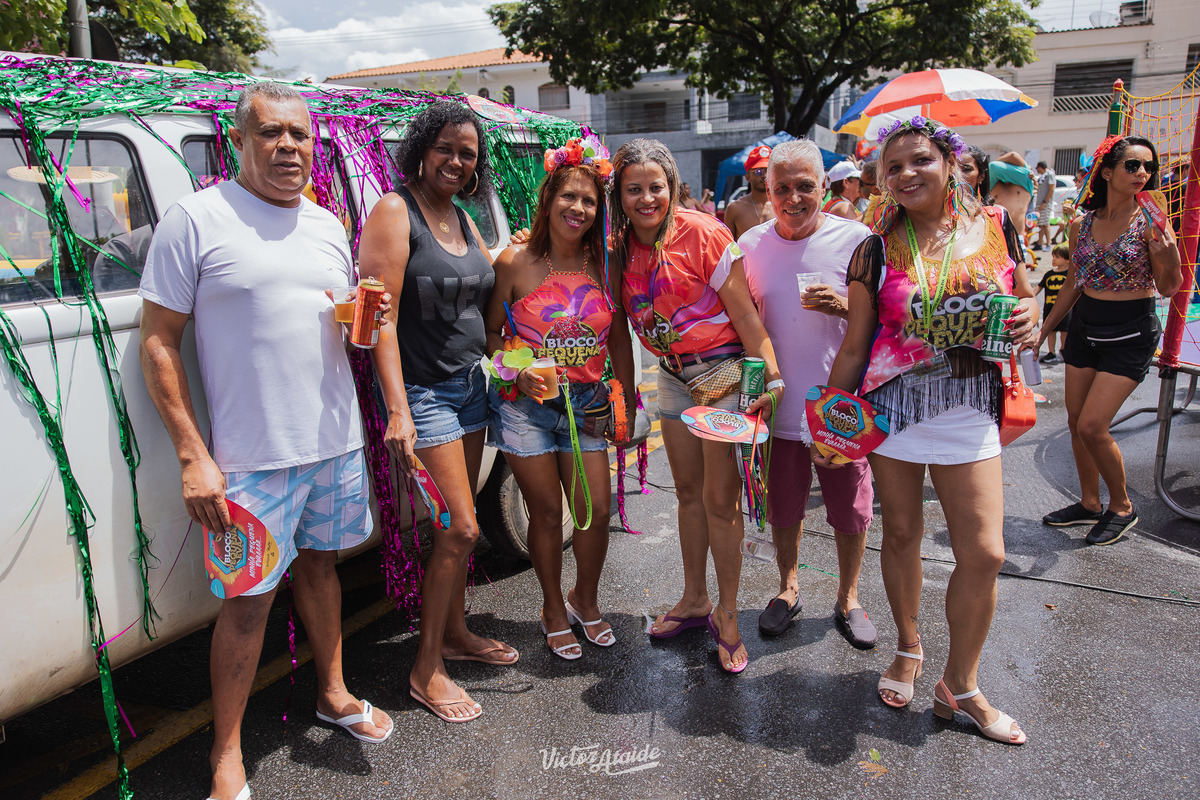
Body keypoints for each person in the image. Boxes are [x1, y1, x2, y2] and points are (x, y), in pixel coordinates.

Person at [138, 82, 393, 800]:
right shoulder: (197, 219)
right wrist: (193, 454)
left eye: (300, 135)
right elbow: (158, 341)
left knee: (322, 571)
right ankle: (225, 754)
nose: (288, 147)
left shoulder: (326, 225)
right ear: (240, 141)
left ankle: (333, 694)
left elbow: (341, 329)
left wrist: (364, 322)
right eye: (271, 133)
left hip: (334, 444)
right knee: (248, 604)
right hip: (251, 461)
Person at [825, 116, 1038, 745]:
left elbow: (1025, 296)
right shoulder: (875, 249)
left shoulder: (996, 226)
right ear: (882, 180)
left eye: (920, 160)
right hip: (895, 407)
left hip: (970, 403)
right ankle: (909, 646)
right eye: (893, 167)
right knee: (901, 534)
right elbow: (856, 344)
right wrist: (832, 424)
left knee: (985, 552)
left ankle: (960, 684)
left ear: (949, 163)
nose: (906, 173)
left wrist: (1032, 314)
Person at [358, 100, 518, 724]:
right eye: (445, 148)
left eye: (467, 154)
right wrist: (397, 409)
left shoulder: (462, 215)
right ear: (422, 150)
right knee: (461, 528)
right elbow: (379, 316)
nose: (456, 161)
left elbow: (484, 288)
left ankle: (454, 634)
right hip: (423, 393)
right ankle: (426, 669)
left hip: (470, 386)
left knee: (460, 518)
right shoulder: (395, 211)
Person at [612, 138, 783, 673]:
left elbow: (747, 315)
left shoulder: (702, 233)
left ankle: (728, 616)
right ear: (619, 195)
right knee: (687, 493)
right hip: (672, 376)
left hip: (724, 376)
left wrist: (771, 378)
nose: (646, 199)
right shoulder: (618, 245)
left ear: (672, 187)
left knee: (720, 501)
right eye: (633, 189)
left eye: (655, 187)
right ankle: (694, 600)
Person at [483, 138, 636, 660]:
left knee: (595, 509)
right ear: (547, 200)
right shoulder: (514, 261)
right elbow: (490, 333)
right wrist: (515, 370)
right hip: (526, 407)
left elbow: (618, 336)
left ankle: (584, 599)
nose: (578, 208)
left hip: (588, 401)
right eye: (568, 196)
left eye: (589, 200)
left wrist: (625, 398)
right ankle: (552, 608)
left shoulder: (606, 262)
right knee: (547, 514)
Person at [737, 140, 878, 648]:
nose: (793, 198)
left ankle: (849, 597)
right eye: (782, 188)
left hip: (840, 405)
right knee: (783, 506)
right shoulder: (750, 245)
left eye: (804, 187)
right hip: (778, 403)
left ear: (824, 186)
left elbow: (884, 319)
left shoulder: (857, 239)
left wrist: (844, 304)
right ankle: (788, 588)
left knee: (851, 508)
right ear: (767, 189)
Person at [1038, 135, 1182, 545]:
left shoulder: (1152, 222)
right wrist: (1044, 330)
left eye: (1148, 167)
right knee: (1074, 422)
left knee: (1092, 425)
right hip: (1085, 328)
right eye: (1132, 165)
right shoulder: (1082, 224)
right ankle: (1089, 502)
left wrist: (1169, 255)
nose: (1143, 173)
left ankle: (1122, 507)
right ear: (1106, 172)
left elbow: (1169, 287)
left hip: (1130, 332)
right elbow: (1073, 282)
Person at [724, 144, 775, 240]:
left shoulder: (782, 206)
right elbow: (727, 244)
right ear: (748, 177)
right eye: (759, 171)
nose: (764, 176)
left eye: (768, 171)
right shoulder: (735, 208)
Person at [1037, 244, 1072, 364]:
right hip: (1049, 308)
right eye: (1053, 256)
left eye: (1057, 257)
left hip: (1065, 309)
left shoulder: (1070, 275)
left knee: (1065, 331)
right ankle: (1051, 352)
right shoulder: (1049, 274)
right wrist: (1030, 296)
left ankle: (1063, 349)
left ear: (1067, 259)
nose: (1053, 259)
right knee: (1050, 331)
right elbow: (1039, 287)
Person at [1034, 161, 1056, 251]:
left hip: (1045, 203)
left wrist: (1044, 202)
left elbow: (1051, 189)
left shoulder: (1050, 174)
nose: (1037, 170)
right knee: (1041, 224)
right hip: (1040, 203)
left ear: (1040, 167)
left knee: (1046, 224)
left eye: (1037, 168)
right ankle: (1040, 243)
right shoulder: (1042, 176)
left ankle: (1048, 243)